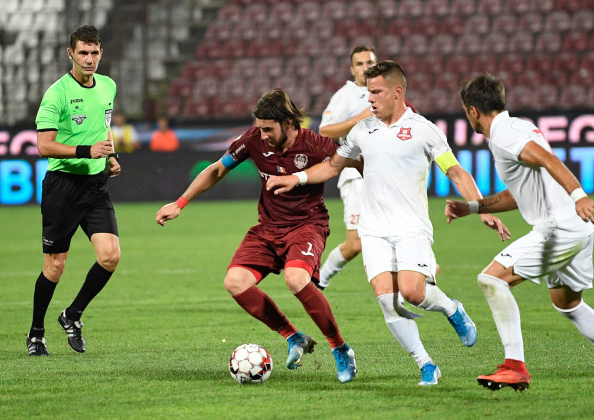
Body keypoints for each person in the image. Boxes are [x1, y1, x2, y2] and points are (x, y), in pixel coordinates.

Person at [267, 61, 509, 386]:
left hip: (411, 226)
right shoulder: (362, 130)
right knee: (386, 298)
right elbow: (332, 165)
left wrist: (479, 207)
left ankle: (452, 308)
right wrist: (297, 178)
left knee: (412, 292)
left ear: (397, 92)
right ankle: (426, 364)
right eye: (368, 92)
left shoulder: (424, 129)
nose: (371, 99)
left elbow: (455, 171)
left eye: (377, 91)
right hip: (373, 230)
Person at [446, 73, 594, 391]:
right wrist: (472, 208)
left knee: (492, 279)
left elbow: (548, 159)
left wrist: (579, 195)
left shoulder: (504, 135)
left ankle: (514, 367)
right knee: (568, 304)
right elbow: (517, 193)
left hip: (558, 228)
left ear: (471, 111)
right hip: (577, 229)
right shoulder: (521, 127)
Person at [155, 88, 357, 383]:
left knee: (295, 279)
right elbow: (216, 171)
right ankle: (293, 337)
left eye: (268, 129)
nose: (261, 135)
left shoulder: (315, 144)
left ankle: (340, 348)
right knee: (235, 282)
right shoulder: (252, 140)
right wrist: (180, 202)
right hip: (268, 227)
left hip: (307, 225)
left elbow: (346, 161)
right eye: (259, 128)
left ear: (288, 122)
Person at [27, 25, 121, 356]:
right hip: (63, 187)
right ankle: (36, 332)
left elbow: (104, 127)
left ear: (101, 53)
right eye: (83, 52)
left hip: (96, 186)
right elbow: (43, 145)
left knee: (110, 256)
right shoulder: (57, 94)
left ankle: (72, 315)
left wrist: (110, 156)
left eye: (95, 52)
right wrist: (86, 151)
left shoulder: (108, 86)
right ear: (71, 54)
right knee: (55, 265)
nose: (89, 59)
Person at [316, 46, 376, 290]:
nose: (365, 68)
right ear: (352, 70)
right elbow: (324, 130)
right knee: (355, 244)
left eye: (369, 62)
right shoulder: (346, 95)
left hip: (383, 174)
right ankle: (319, 280)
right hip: (355, 176)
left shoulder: (383, 93)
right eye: (360, 64)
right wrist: (358, 118)